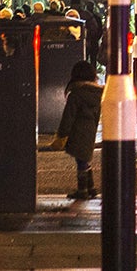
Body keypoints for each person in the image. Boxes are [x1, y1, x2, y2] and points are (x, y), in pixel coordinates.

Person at [49, 60, 102, 200]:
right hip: (90, 131)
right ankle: (91, 188)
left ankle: (82, 190)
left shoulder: (76, 94)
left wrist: (62, 134)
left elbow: (68, 116)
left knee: (81, 161)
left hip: (77, 131)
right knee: (85, 159)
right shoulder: (97, 94)